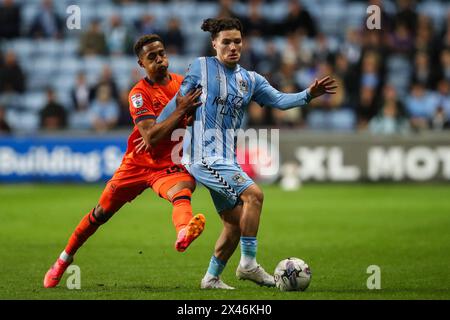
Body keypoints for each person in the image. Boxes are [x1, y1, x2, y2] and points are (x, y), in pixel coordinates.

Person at [157, 18, 337, 289]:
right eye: (226, 42)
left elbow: (278, 100)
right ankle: (248, 264)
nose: (232, 47)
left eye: (237, 41)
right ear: (214, 43)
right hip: (202, 155)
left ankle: (211, 278)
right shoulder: (201, 68)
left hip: (226, 157)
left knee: (235, 222)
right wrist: (152, 133)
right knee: (254, 195)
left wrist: (308, 95)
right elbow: (176, 105)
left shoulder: (250, 79)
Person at [43, 34, 204, 288]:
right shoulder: (138, 94)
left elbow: (193, 121)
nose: (160, 59)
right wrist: (182, 110)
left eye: (162, 53)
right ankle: (63, 259)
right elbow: (150, 137)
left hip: (165, 166)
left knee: (183, 188)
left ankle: (184, 232)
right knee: (100, 213)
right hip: (137, 165)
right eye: (152, 57)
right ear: (142, 64)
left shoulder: (183, 86)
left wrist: (193, 115)